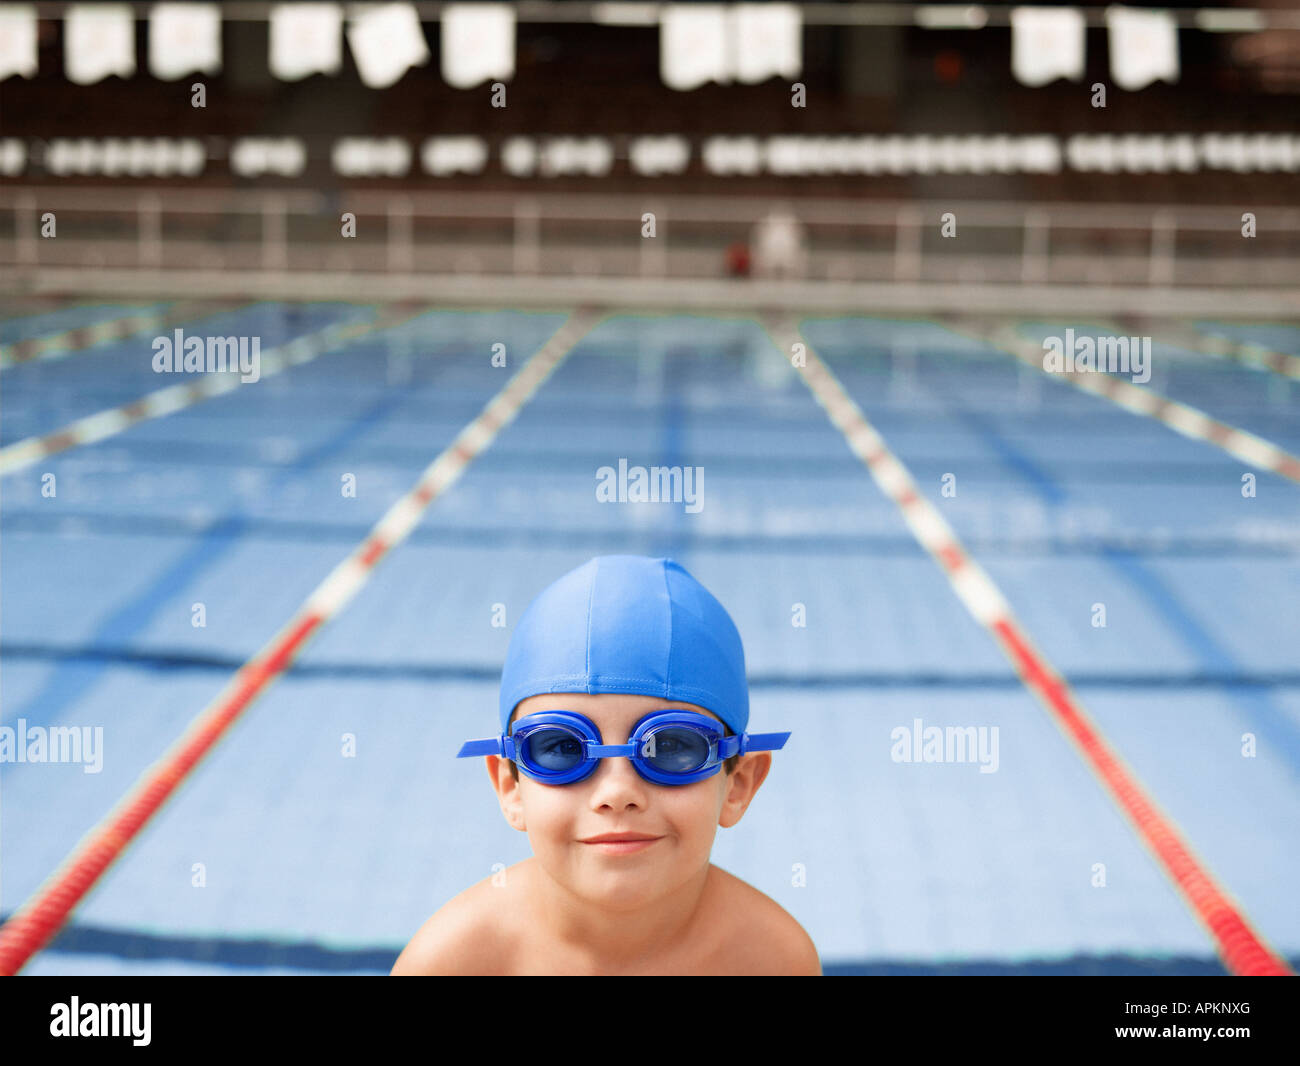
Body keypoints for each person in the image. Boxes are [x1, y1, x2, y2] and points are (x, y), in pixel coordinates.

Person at [392, 555, 819, 976]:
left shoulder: (771, 959)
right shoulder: (454, 963)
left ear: (739, 784)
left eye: (670, 747)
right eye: (562, 749)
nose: (617, 794)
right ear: (510, 785)